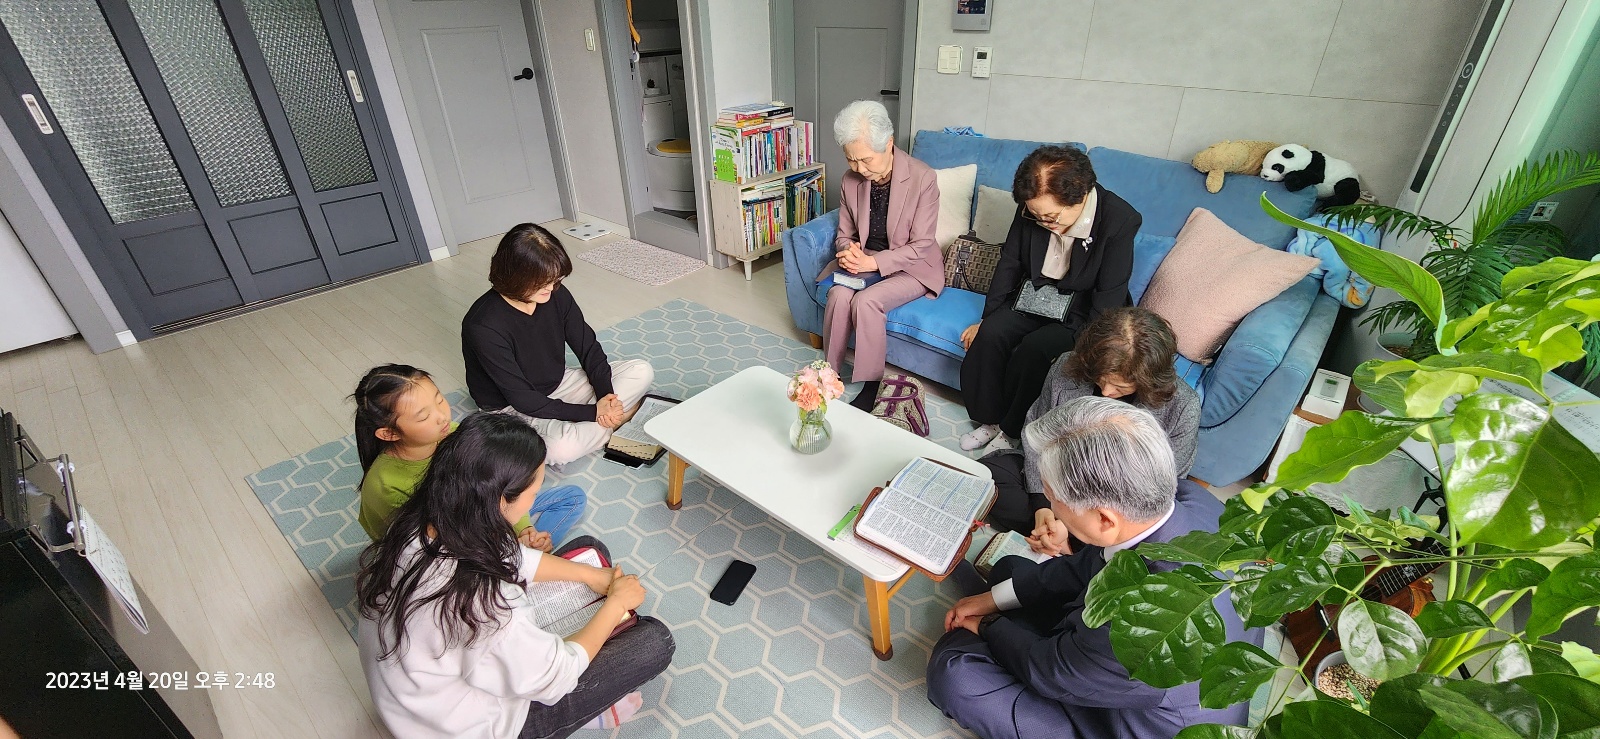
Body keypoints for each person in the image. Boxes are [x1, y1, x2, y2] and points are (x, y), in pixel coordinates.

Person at [927, 396, 1252, 739]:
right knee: (1008, 571)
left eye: (1054, 500)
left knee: (955, 674)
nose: (1051, 509)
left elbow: (1052, 670)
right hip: (1101, 657)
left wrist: (988, 625)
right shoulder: (1190, 499)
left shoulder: (1148, 625)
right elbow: (1087, 563)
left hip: (1125, 722)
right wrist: (990, 600)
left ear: (1105, 519)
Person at [357, 412, 674, 739]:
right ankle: (583, 715)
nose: (535, 499)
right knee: (655, 641)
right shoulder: (481, 605)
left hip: (420, 696)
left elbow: (512, 557)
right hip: (476, 727)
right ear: (500, 499)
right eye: (534, 493)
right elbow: (558, 675)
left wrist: (589, 575)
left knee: (590, 551)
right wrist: (615, 604)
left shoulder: (426, 518)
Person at [958, 146, 1141, 452]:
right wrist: (986, 318)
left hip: (1084, 307)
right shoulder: (1032, 207)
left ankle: (1011, 430)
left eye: (1051, 217)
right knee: (990, 335)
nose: (1043, 222)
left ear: (1081, 195)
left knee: (1035, 350)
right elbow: (1010, 263)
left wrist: (1091, 349)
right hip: (1036, 296)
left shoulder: (1120, 220)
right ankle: (989, 420)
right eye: (1037, 217)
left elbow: (1109, 295)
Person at [979, 308, 1200, 538]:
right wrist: (1042, 504)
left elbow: (1160, 491)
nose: (1106, 392)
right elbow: (1037, 431)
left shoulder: (1183, 407)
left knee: (1148, 535)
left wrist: (1076, 523)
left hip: (1113, 508)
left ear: (1148, 381)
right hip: (1058, 479)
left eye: (1120, 387)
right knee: (987, 477)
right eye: (1100, 379)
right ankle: (1066, 539)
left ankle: (1075, 541)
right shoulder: (1067, 365)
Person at [462, 224, 655, 468]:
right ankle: (620, 418)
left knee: (641, 371)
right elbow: (523, 399)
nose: (551, 287)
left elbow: (588, 348)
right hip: (510, 407)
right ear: (514, 276)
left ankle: (601, 421)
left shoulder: (555, 294)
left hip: (558, 383)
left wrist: (606, 397)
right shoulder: (483, 325)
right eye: (542, 281)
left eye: (555, 279)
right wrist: (593, 413)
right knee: (561, 449)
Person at [352, 364, 585, 547]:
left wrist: (525, 530)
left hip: (481, 512)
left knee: (573, 497)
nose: (442, 416)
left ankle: (529, 549)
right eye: (424, 417)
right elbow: (432, 545)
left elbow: (499, 486)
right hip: (444, 542)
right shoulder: (387, 486)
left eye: (440, 400)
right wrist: (508, 545)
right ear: (389, 433)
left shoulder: (455, 434)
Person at [817, 99, 943, 410]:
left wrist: (873, 262)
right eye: (851, 160)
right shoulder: (850, 180)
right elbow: (844, 235)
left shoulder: (922, 178)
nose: (859, 169)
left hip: (913, 266)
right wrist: (848, 252)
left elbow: (922, 244)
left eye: (865, 160)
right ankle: (829, 374)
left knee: (867, 301)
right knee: (838, 295)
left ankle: (872, 384)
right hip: (866, 259)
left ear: (888, 143)